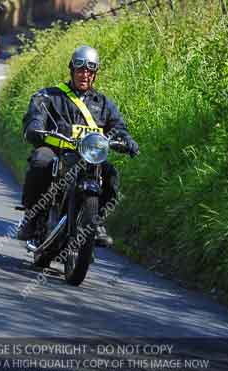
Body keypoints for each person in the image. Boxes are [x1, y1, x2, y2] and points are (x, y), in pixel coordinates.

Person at [17, 44, 139, 247]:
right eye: (80, 69)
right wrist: (35, 126)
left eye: (90, 71)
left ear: (95, 74)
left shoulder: (103, 104)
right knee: (40, 161)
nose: (85, 75)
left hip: (89, 158)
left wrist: (127, 140)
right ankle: (32, 216)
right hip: (57, 151)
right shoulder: (51, 96)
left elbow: (118, 127)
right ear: (72, 70)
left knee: (110, 174)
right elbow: (35, 113)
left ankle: (96, 220)